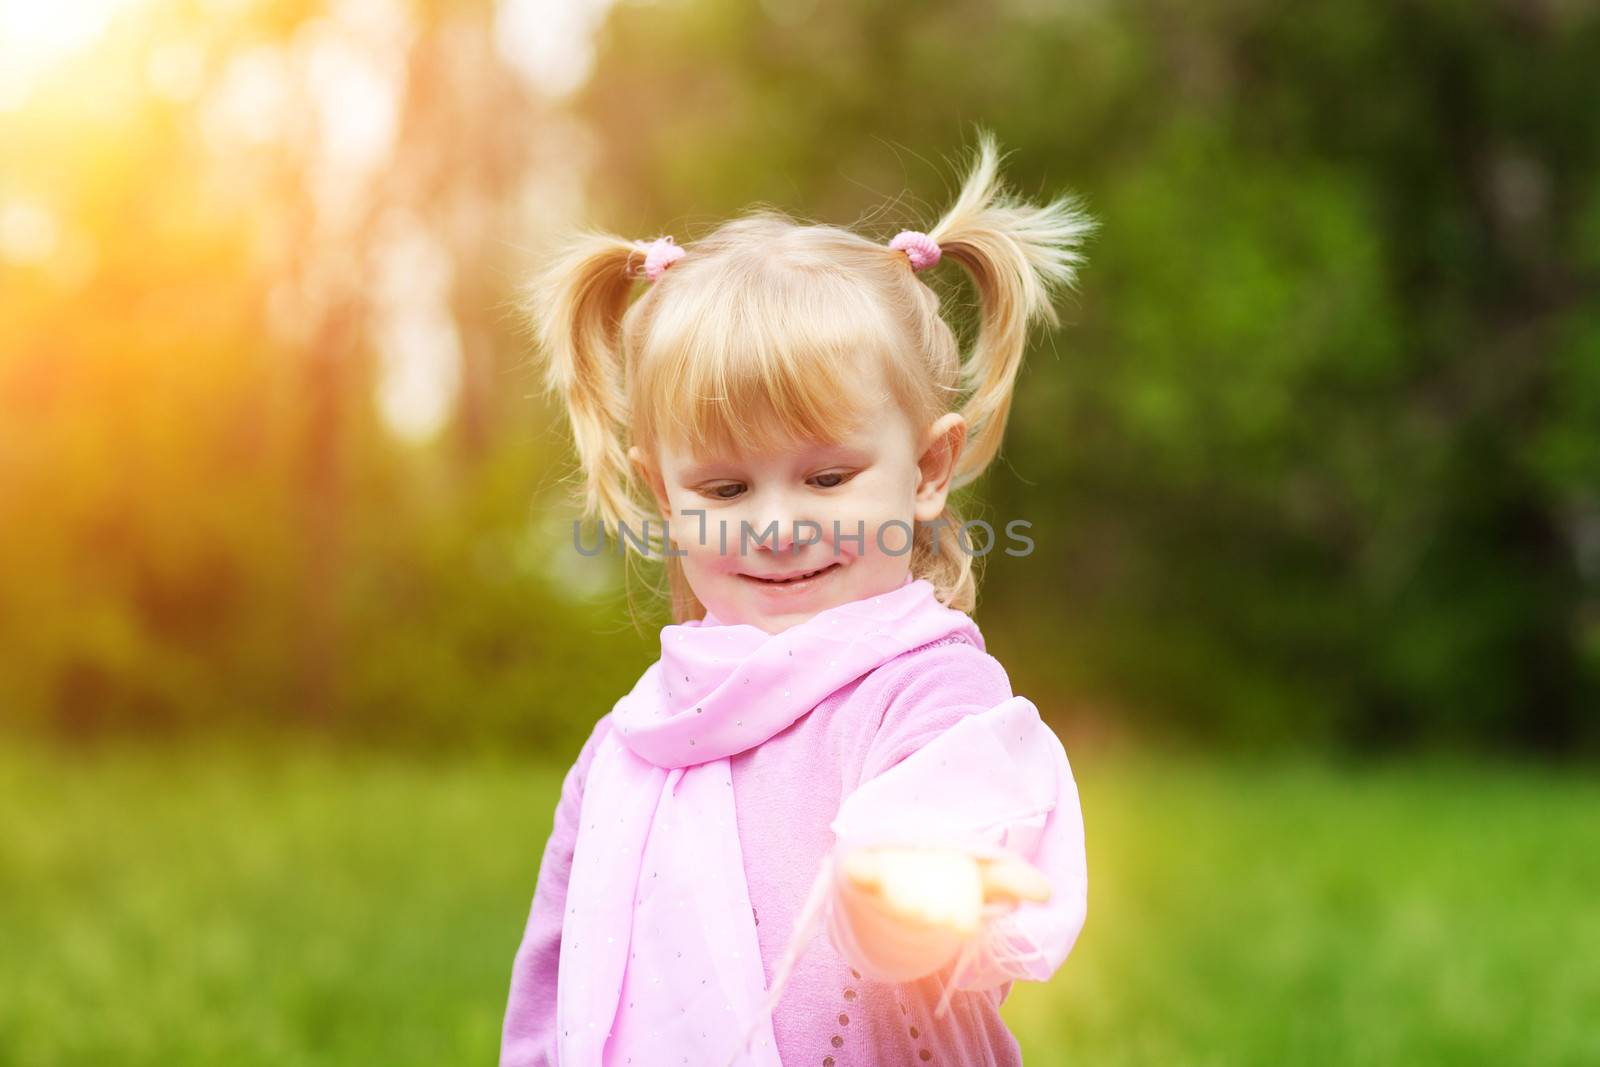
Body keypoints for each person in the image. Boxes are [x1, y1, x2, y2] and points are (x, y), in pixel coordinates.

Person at [501, 130, 1095, 1066]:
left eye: (827, 478)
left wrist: (909, 890)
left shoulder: (924, 691)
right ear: (666, 497)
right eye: (727, 490)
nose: (775, 526)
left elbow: (950, 836)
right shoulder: (631, 742)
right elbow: (557, 974)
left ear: (928, 467)